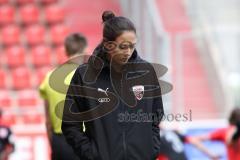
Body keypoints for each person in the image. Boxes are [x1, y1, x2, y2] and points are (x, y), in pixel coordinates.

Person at [62, 10, 164, 160]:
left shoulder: (147, 72)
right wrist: (91, 154)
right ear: (108, 45)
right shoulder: (85, 75)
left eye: (132, 46)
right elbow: (70, 124)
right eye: (123, 46)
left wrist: (151, 150)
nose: (128, 52)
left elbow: (156, 117)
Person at [39, 33, 88, 160]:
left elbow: (48, 122)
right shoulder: (90, 78)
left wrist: (54, 144)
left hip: (60, 142)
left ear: (65, 51)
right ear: (85, 50)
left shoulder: (49, 78)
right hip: (84, 139)